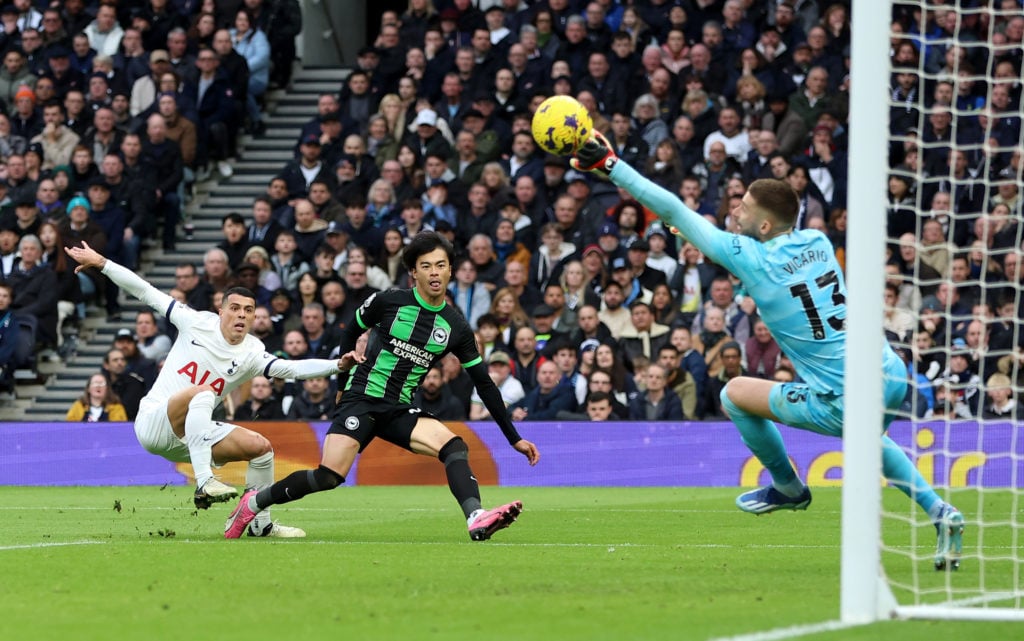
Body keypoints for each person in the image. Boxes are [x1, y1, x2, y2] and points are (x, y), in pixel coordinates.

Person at [572, 133, 964, 570]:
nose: (733, 209)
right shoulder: (816, 241)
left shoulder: (750, 258)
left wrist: (611, 164)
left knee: (733, 394)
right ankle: (941, 513)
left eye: (742, 207)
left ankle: (788, 488)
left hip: (841, 396)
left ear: (762, 226)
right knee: (870, 440)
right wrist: (701, 236)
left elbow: (674, 208)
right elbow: (737, 245)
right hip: (888, 372)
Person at [222, 232, 539, 541]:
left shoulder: (456, 327)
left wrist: (514, 437)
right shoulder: (388, 301)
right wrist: (342, 385)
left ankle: (475, 517)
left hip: (399, 409)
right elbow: (350, 333)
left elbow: (484, 383)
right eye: (426, 266)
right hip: (361, 399)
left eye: (441, 265)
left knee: (454, 446)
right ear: (413, 272)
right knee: (329, 476)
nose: (434, 272)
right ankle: (252, 503)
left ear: (450, 270)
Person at [64, 240, 350, 539]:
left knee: (261, 449)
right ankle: (204, 482)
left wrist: (337, 366)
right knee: (203, 392)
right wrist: (103, 263)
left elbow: (292, 369)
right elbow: (146, 291)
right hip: (155, 421)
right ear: (221, 310)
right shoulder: (195, 322)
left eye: (248, 310)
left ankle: (258, 522)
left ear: (254, 317)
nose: (241, 315)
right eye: (235, 308)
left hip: (193, 438)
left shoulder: (253, 352)